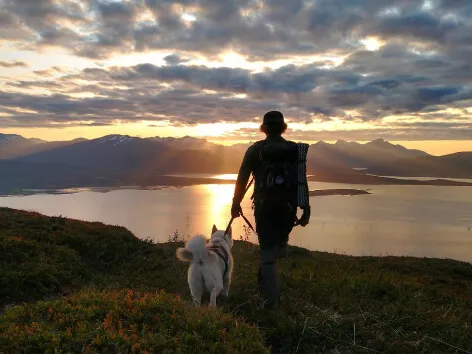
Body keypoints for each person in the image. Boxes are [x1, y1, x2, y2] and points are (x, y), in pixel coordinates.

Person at [231, 110, 310, 308]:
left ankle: (271, 305)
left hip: (265, 208)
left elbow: (242, 179)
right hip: (287, 209)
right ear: (283, 128)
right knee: (275, 249)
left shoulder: (255, 150)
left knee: (267, 256)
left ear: (263, 128)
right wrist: (305, 208)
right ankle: (265, 281)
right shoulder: (294, 150)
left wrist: (235, 203)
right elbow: (301, 181)